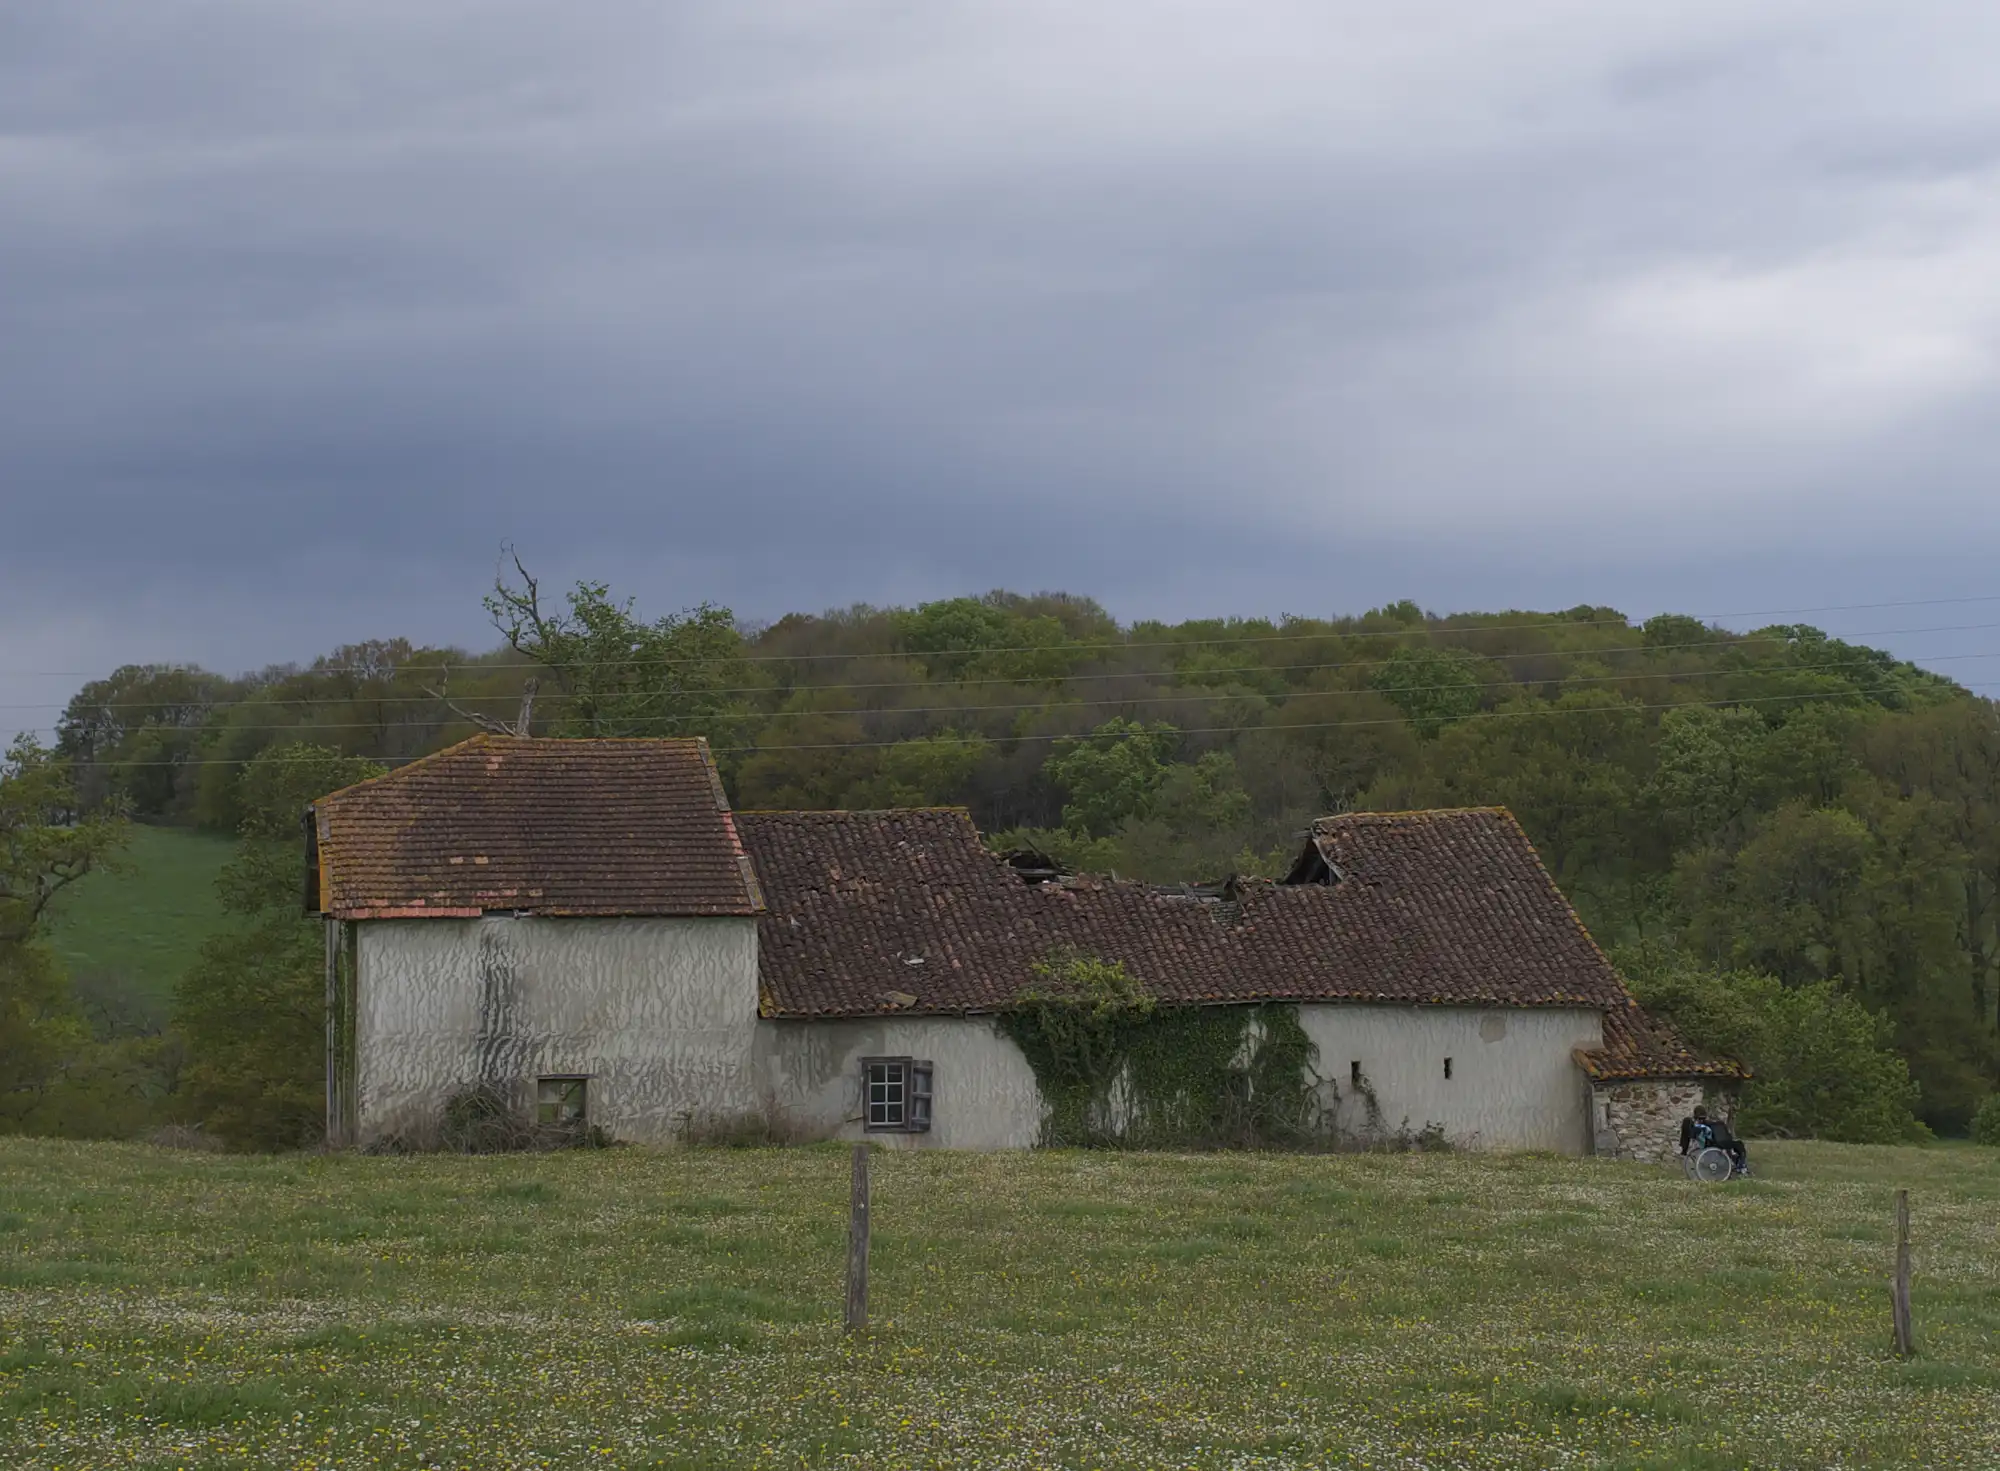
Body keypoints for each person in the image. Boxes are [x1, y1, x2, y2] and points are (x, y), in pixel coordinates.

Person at [1680, 1105, 1749, 1176]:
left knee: (1729, 1145)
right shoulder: (1709, 1125)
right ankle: (1741, 1166)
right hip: (1716, 1143)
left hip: (1707, 1144)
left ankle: (1735, 1162)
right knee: (1739, 1144)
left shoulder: (1695, 1126)